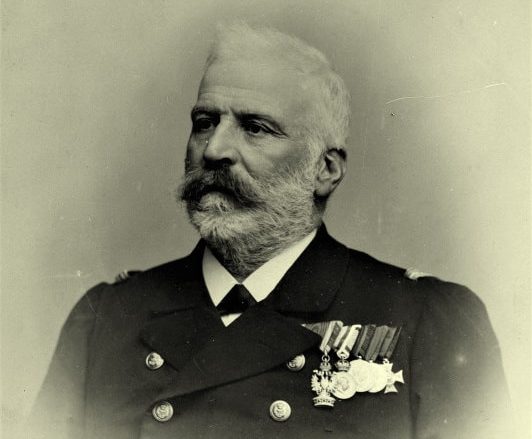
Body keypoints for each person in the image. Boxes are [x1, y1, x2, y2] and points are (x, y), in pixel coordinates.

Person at [32, 23, 511, 439]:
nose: (215, 149)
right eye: (205, 122)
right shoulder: (104, 321)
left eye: (256, 128)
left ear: (325, 170)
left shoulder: (426, 323)